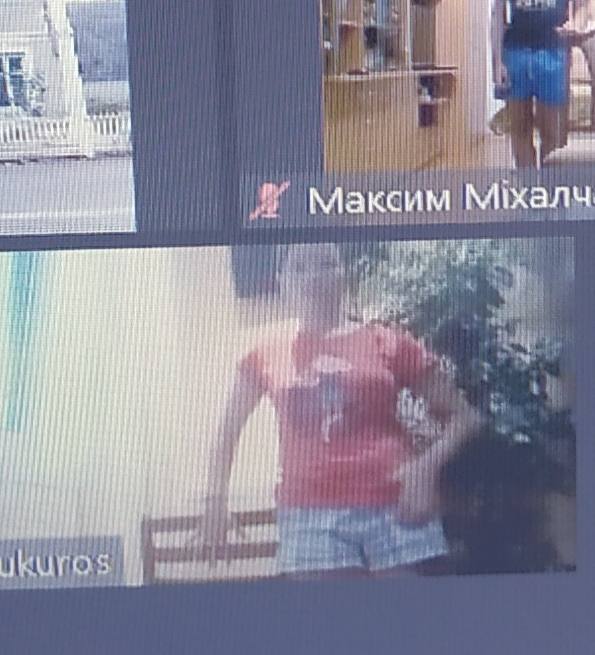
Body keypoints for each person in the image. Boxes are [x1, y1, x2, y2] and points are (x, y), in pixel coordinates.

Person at [201, 242, 478, 577]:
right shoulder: (265, 354)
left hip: (396, 507)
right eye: (299, 267)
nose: (313, 276)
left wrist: (426, 467)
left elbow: (465, 417)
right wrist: (215, 500)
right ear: (281, 282)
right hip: (309, 516)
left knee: (410, 612)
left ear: (344, 274)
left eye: (326, 264)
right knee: (327, 613)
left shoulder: (388, 341)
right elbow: (227, 431)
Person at [487, 0, 595, 169]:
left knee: (554, 131)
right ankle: (528, 189)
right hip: (516, 54)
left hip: (554, 53)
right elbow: (497, 17)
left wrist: (577, 23)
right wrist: (497, 62)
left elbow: (582, 5)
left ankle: (552, 188)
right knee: (519, 129)